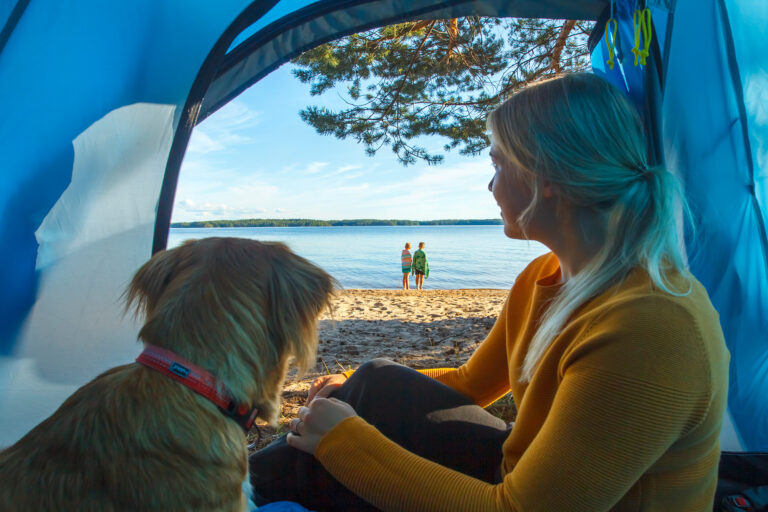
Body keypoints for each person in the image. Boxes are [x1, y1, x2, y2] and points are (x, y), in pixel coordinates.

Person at [249, 73, 729, 511]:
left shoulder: (652, 329)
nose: (489, 184)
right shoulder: (546, 275)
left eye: (498, 164)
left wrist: (343, 441)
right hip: (516, 470)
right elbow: (470, 384)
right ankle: (228, 488)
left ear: (547, 177)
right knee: (374, 378)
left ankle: (229, 492)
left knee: (335, 468)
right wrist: (350, 385)